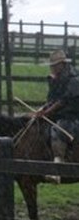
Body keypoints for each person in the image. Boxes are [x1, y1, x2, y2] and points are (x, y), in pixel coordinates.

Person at [32, 49, 79, 183]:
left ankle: (58, 165)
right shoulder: (56, 79)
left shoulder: (74, 80)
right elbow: (52, 99)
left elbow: (63, 101)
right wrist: (42, 109)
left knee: (58, 130)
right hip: (59, 114)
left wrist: (47, 112)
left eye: (54, 65)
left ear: (62, 65)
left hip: (72, 115)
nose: (52, 68)